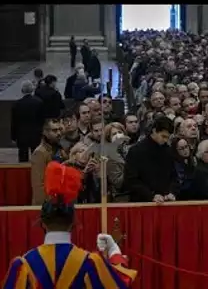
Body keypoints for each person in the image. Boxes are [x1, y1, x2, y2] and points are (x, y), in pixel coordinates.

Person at [1, 161, 137, 288]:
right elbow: (119, 283)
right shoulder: (90, 262)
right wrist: (114, 250)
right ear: (74, 224)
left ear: (42, 224)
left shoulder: (23, 265)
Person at [11, 81, 44, 162]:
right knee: (36, 156)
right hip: (36, 133)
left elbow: (14, 122)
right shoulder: (39, 102)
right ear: (32, 89)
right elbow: (42, 120)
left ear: (22, 90)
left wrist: (13, 137)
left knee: (22, 157)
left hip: (21, 134)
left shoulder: (17, 104)